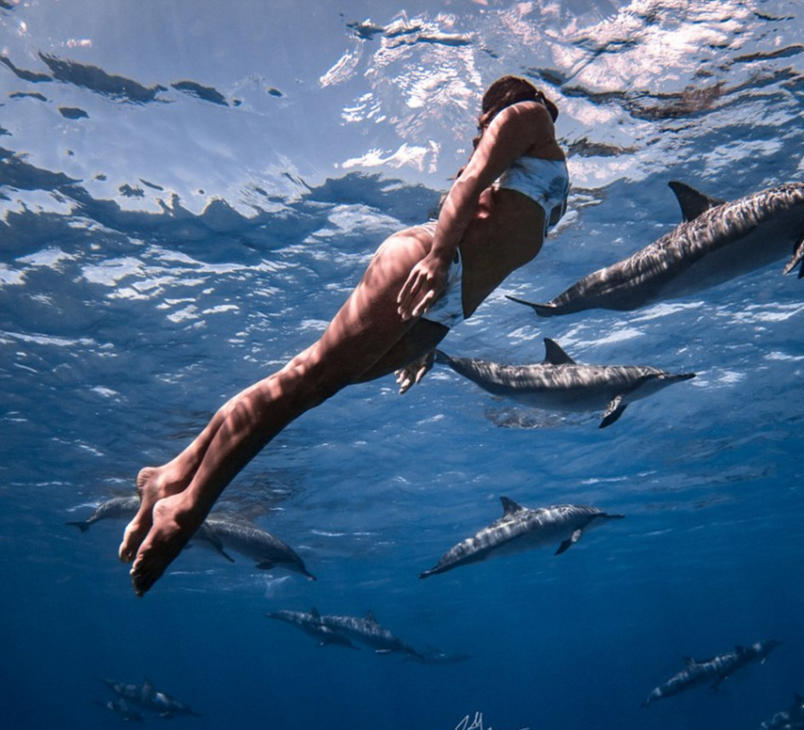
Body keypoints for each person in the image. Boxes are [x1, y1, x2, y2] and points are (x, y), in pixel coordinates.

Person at [119, 75, 570, 595]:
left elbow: (499, 236)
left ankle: (171, 473)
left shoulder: (532, 134)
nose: (481, 126)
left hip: (443, 306)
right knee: (305, 383)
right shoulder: (526, 117)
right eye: (483, 120)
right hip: (428, 264)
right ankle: (189, 505)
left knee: (302, 383)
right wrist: (440, 257)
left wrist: (435, 335)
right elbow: (467, 185)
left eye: (485, 117)